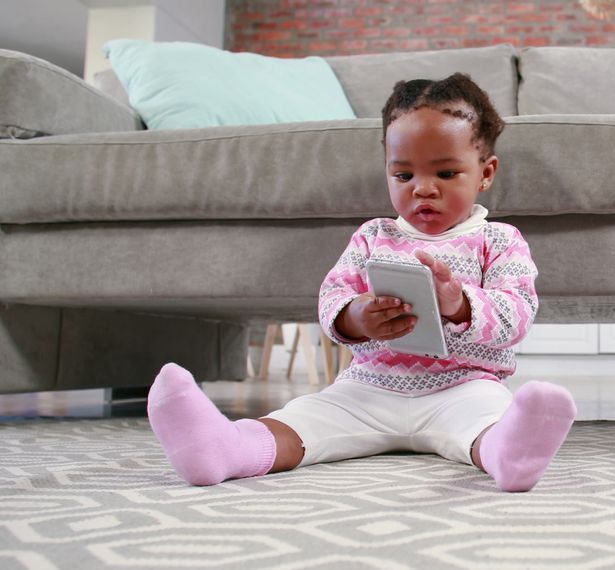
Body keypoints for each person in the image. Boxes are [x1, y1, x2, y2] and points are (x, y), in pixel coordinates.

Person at [146, 73, 576, 492]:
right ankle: (223, 449)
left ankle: (509, 454)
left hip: (465, 388)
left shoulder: (498, 240)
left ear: (485, 172)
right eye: (404, 176)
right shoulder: (373, 235)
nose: (423, 189)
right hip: (367, 387)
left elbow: (518, 313)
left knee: (489, 423)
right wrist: (355, 316)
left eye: (446, 174)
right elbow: (333, 295)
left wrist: (459, 304)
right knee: (302, 420)